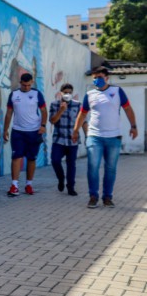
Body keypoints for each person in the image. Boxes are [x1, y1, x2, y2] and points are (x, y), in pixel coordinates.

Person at [73, 66, 138, 208]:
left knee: (110, 169)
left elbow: (127, 109)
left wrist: (133, 126)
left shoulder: (117, 91)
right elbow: (83, 114)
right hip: (94, 136)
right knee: (93, 167)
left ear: (107, 78)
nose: (97, 80)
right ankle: (93, 196)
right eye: (95, 78)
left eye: (100, 77)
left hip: (113, 137)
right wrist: (76, 130)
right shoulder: (89, 95)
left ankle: (107, 197)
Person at [3, 73, 47, 196]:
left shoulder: (37, 94)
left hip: (34, 131)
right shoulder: (14, 95)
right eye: (24, 85)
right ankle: (14, 185)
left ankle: (29, 184)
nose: (26, 87)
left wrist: (43, 126)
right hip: (18, 131)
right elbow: (8, 113)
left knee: (32, 158)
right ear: (20, 82)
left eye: (28, 85)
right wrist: (5, 130)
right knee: (16, 157)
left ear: (32, 83)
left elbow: (44, 111)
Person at [49, 83, 83, 196]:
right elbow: (52, 121)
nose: (67, 94)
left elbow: (83, 121)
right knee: (55, 161)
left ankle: (71, 187)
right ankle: (61, 178)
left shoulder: (78, 105)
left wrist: (87, 135)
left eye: (69, 93)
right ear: (61, 93)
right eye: (65, 92)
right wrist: (61, 110)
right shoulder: (54, 104)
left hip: (72, 139)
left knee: (71, 164)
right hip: (59, 139)